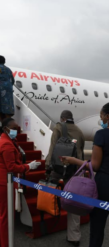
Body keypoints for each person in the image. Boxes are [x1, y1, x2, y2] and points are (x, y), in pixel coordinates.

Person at [62, 103, 109, 247]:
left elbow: (94, 165)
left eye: (101, 117)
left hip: (105, 184)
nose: (101, 120)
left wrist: (73, 160)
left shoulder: (102, 135)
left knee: (97, 228)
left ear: (107, 116)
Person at [0, 117, 41, 247]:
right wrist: (29, 167)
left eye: (17, 129)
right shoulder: (7, 144)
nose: (16, 131)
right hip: (3, 182)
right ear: (6, 129)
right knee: (5, 217)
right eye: (14, 129)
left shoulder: (7, 139)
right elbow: (11, 167)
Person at [45, 110, 85, 246]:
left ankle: (48, 224)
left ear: (62, 119)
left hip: (57, 168)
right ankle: (74, 237)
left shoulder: (58, 128)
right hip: (73, 170)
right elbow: (80, 151)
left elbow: (52, 148)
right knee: (74, 203)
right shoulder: (79, 131)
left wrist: (47, 166)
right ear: (71, 119)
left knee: (48, 193)